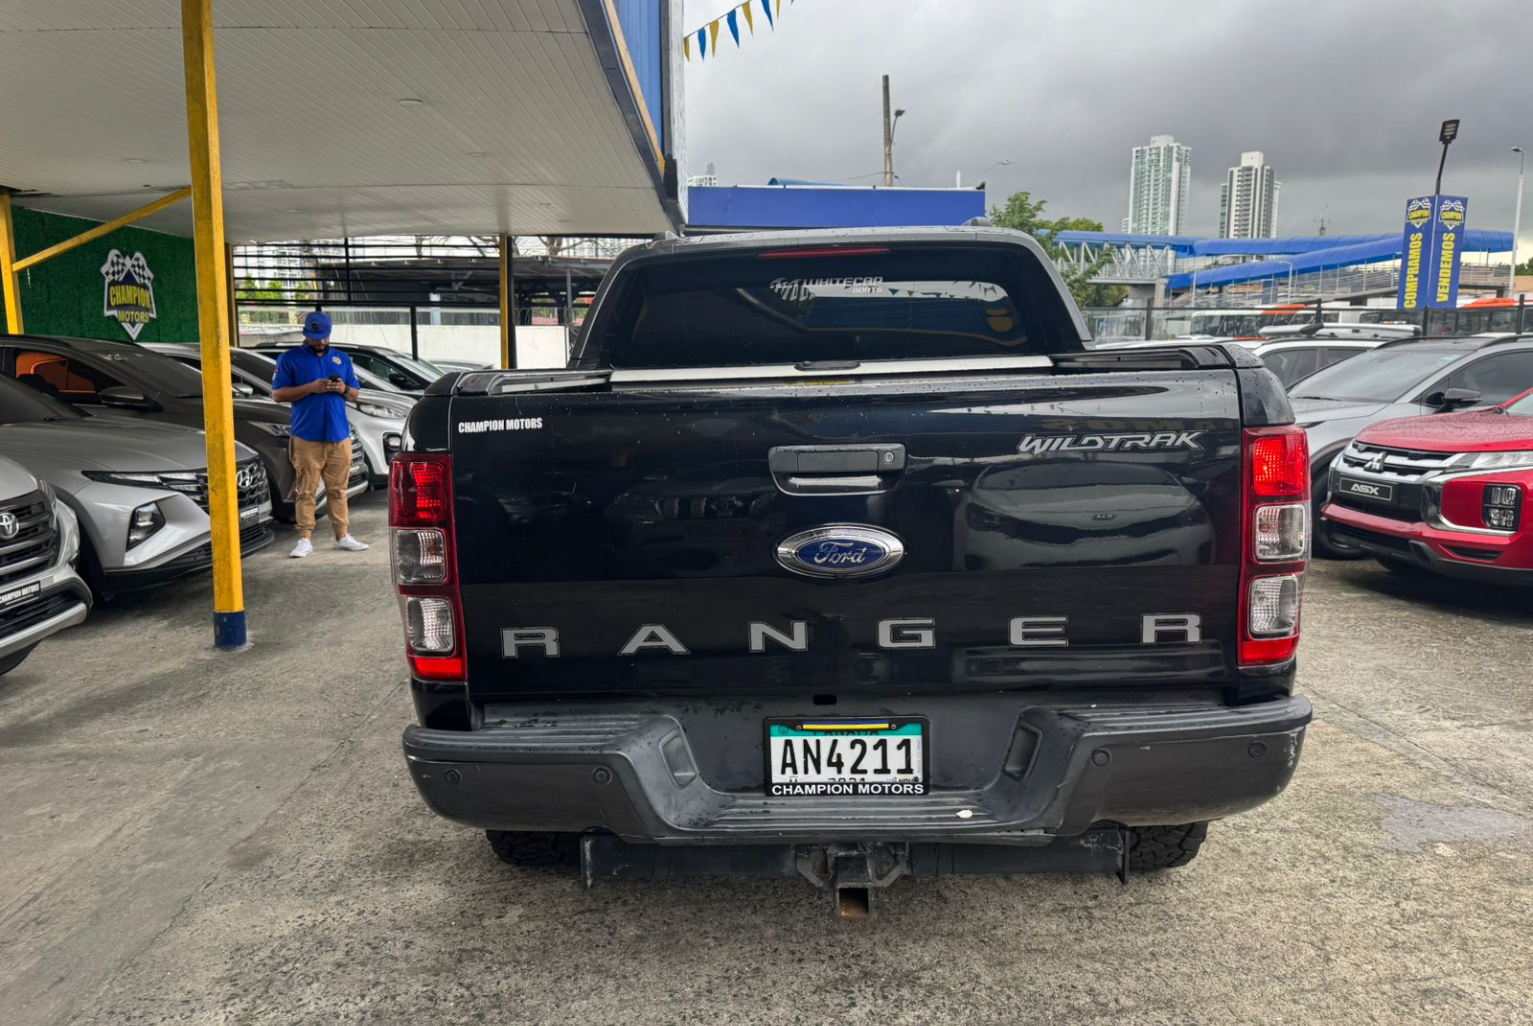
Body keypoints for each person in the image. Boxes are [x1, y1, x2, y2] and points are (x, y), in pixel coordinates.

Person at [270, 311, 369, 558]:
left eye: (324, 337)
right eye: (315, 337)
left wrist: (343, 388)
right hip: (307, 435)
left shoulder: (341, 358)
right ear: (305, 334)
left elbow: (356, 395)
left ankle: (342, 535)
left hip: (338, 434)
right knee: (306, 490)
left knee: (339, 489)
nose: (320, 342)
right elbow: (278, 395)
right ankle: (304, 539)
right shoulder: (289, 359)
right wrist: (310, 388)